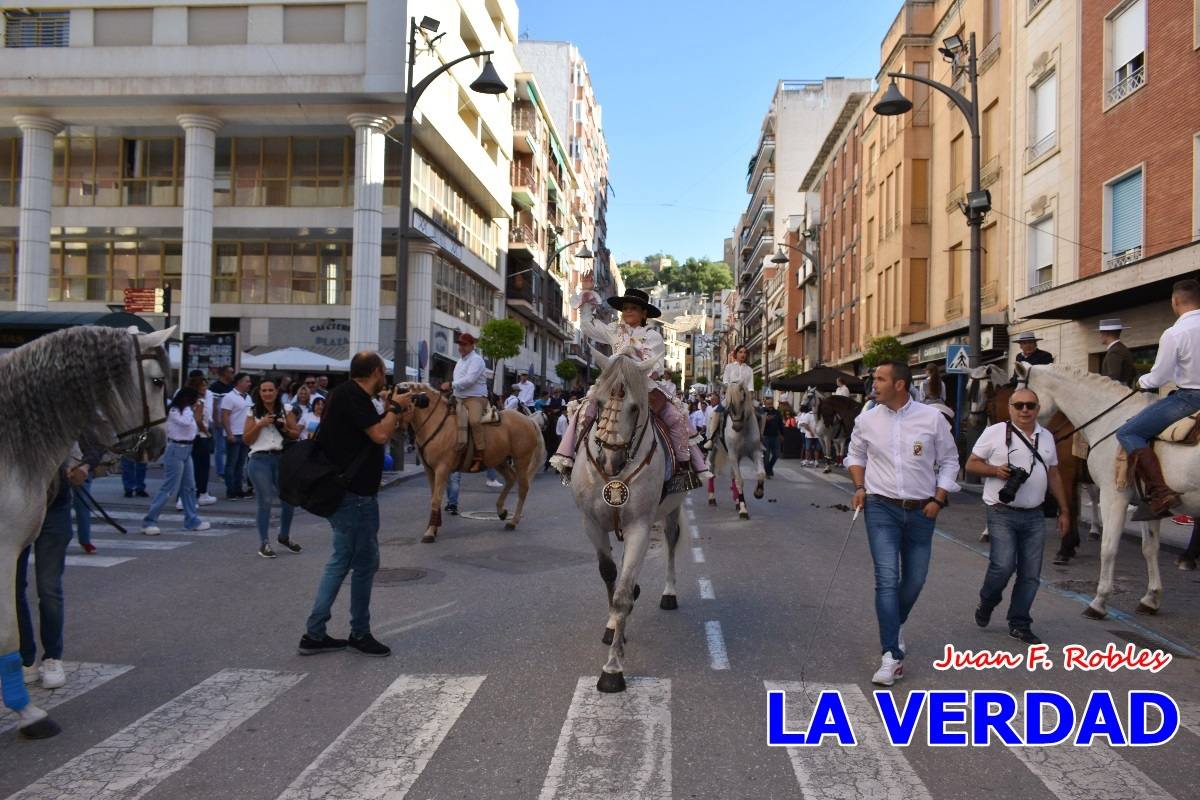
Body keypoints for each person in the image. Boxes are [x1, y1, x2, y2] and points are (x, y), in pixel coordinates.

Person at [846, 361, 959, 686]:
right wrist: (859, 486)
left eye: (880, 379)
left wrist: (939, 498)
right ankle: (891, 656)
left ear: (900, 384)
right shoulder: (866, 419)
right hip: (880, 507)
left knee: (916, 579)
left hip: (923, 510)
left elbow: (950, 459)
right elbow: (855, 455)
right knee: (886, 578)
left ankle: (894, 624)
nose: (873, 384)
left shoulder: (932, 418)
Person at [298, 351, 408, 658]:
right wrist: (397, 406)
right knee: (364, 565)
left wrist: (388, 409)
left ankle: (315, 633)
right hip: (355, 497)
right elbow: (380, 434)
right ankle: (358, 632)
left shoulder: (342, 394)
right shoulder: (353, 396)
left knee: (340, 561)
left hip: (347, 493)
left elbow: (375, 433)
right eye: (383, 372)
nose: (385, 379)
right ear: (374, 371)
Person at [550, 276, 709, 478]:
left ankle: (683, 467)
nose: (627, 312)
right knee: (584, 411)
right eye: (625, 308)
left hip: (644, 387)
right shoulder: (613, 330)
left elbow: (655, 367)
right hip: (613, 385)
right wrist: (586, 294)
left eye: (633, 308)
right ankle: (572, 458)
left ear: (644, 313)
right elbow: (588, 327)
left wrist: (630, 366)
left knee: (676, 417)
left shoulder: (652, 336)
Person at [965, 387, 1070, 645]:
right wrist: (994, 471)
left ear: (1038, 409)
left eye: (1030, 406)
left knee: (1031, 573)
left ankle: (1019, 622)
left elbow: (1054, 473)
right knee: (1003, 566)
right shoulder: (994, 433)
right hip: (1001, 511)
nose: (1025, 410)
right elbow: (971, 464)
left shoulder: (1046, 437)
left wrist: (1065, 510)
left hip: (1035, 514)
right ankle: (988, 601)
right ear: (1010, 408)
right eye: (1019, 405)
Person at [1116, 279, 1200, 517]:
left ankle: (1162, 492)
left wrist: (1142, 382)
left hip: (1191, 399)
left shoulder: (1175, 333)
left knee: (1128, 432)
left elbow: (1160, 376)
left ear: (1174, 302)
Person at [17, 452, 87, 689]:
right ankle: (25, 657)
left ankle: (52, 657)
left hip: (54, 506)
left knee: (48, 588)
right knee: (12, 587)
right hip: (16, 507)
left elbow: (91, 436)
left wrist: (86, 464)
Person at [244, 377, 301, 558]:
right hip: (259, 459)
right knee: (266, 500)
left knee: (289, 500)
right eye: (264, 390)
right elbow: (247, 440)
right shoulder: (252, 412)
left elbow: (295, 434)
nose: (267, 393)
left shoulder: (286, 410)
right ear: (259, 393)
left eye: (271, 390)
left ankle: (284, 536)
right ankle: (264, 543)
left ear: (277, 392)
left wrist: (283, 426)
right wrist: (260, 424)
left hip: (281, 458)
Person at [142, 386, 211, 536]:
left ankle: (192, 520)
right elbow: (186, 423)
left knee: (189, 487)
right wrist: (194, 411)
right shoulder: (175, 410)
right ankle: (150, 521)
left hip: (187, 449)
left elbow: (193, 430)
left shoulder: (186, 410)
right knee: (169, 487)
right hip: (175, 449)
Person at [442, 332, 489, 472]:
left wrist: (451, 384)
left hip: (474, 397)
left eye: (464, 344)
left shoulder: (477, 360)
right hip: (458, 397)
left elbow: (469, 380)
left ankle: (480, 456)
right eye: (460, 344)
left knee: (474, 421)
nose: (461, 347)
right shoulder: (460, 361)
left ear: (472, 345)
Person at [183, 374, 217, 507]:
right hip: (198, 436)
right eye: (203, 385)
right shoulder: (198, 401)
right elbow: (198, 420)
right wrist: (206, 432)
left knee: (195, 466)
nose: (205, 388)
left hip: (191, 436)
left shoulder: (187, 399)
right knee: (201, 466)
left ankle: (196, 493)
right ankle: (198, 494)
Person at [222, 372, 253, 500]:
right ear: (239, 382)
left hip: (245, 433)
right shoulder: (229, 397)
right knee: (231, 463)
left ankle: (239, 489)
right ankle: (231, 490)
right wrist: (229, 433)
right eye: (247, 381)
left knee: (241, 464)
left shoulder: (248, 397)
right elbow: (225, 416)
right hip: (234, 433)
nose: (249, 383)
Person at [209, 365, 236, 479]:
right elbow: (214, 405)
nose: (232, 374)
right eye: (231, 372)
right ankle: (221, 471)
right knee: (220, 447)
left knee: (229, 447)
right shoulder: (215, 387)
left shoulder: (231, 387)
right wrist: (216, 420)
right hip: (220, 420)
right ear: (224, 373)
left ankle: (229, 470)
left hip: (231, 421)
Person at [1099, 318, 1137, 387]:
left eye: (1101, 333)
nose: (1100, 336)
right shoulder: (1121, 348)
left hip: (1117, 394)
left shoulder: (1115, 351)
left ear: (1106, 333)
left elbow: (1113, 379)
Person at [761, 397, 783, 478]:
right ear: (765, 404)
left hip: (775, 437)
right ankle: (767, 472)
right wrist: (765, 420)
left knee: (777, 454)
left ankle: (769, 468)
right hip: (765, 437)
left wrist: (782, 434)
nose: (770, 405)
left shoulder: (777, 412)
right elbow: (758, 423)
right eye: (768, 404)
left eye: (771, 403)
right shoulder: (762, 411)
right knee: (766, 456)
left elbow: (780, 424)